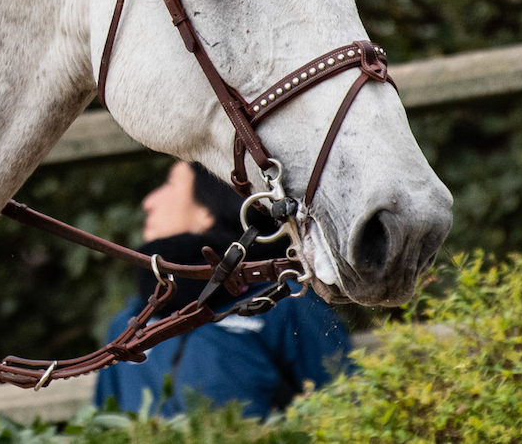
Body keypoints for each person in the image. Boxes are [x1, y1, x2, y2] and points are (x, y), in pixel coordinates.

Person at [95, 161, 351, 419]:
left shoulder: (284, 304)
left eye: (170, 183)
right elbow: (104, 428)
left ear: (208, 209)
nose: (149, 201)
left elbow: (347, 412)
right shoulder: (127, 328)